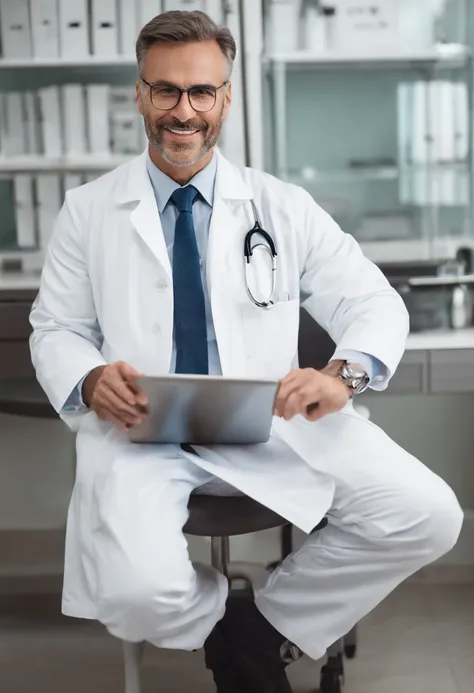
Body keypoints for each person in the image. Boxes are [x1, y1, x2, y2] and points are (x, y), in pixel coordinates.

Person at [29, 10, 463, 693]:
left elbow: (372, 302)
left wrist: (344, 373)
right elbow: (53, 327)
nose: (184, 111)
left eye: (202, 92)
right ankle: (231, 622)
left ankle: (258, 632)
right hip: (146, 434)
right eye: (166, 91)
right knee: (139, 592)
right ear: (140, 94)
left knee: (429, 513)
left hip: (272, 421)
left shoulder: (279, 206)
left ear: (226, 97)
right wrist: (86, 374)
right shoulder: (87, 211)